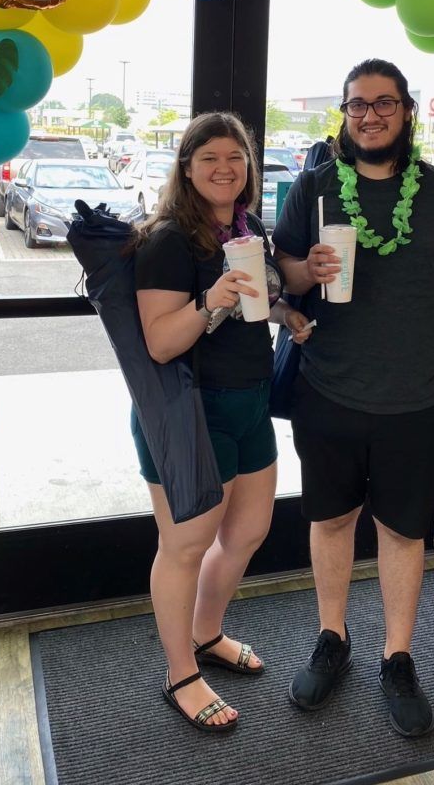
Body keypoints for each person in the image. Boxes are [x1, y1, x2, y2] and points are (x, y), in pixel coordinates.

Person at [272, 58, 434, 738]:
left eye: (383, 103)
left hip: (418, 399)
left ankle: (397, 656)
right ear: (343, 114)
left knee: (400, 530)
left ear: (407, 111)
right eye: (356, 105)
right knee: (331, 520)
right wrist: (308, 269)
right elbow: (284, 274)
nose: (369, 115)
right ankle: (331, 638)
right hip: (328, 388)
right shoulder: (311, 188)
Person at [133, 111, 313, 733]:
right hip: (189, 412)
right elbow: (159, 342)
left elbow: (251, 306)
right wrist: (209, 301)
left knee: (246, 534)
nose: (224, 168)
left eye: (235, 158)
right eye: (209, 157)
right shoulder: (166, 240)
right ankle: (181, 673)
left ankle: (207, 633)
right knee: (184, 547)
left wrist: (282, 312)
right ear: (187, 167)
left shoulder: (247, 228)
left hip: (249, 403)